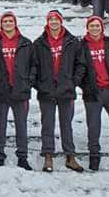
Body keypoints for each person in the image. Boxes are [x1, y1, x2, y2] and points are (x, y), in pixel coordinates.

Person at [32, 10, 85, 173]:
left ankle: (70, 156)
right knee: (47, 125)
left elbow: (80, 64)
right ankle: (48, 155)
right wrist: (38, 84)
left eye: (56, 19)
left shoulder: (72, 41)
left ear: (61, 21)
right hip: (47, 90)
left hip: (65, 90)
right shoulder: (39, 43)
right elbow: (33, 66)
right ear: (47, 22)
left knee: (66, 124)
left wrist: (73, 82)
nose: (54, 22)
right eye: (51, 19)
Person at [78, 16, 109, 171]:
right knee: (94, 126)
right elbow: (79, 68)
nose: (95, 28)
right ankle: (94, 154)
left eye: (97, 26)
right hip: (93, 92)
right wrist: (85, 86)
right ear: (88, 28)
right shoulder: (82, 46)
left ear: (102, 27)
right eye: (92, 26)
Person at [0, 11, 35, 170]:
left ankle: (22, 157)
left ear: (15, 23)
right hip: (0, 91)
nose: (8, 23)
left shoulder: (26, 43)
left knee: (21, 126)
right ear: (1, 24)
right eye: (5, 21)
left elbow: (34, 66)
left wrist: (28, 83)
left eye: (10, 21)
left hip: (20, 90)